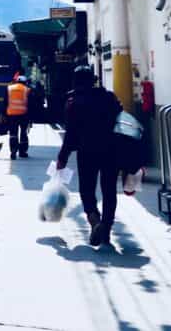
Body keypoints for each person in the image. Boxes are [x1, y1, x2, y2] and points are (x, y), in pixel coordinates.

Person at [57, 65, 124, 246]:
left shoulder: (73, 101)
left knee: (87, 189)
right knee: (109, 190)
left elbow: (71, 133)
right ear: (94, 80)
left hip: (87, 152)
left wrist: (63, 156)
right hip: (111, 150)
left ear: (75, 81)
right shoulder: (109, 97)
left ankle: (94, 220)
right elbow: (121, 120)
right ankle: (106, 230)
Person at [6, 75, 31, 160]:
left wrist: (5, 114)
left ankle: (13, 151)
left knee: (13, 134)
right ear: (25, 82)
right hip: (24, 115)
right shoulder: (27, 90)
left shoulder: (9, 88)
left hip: (12, 114)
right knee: (23, 133)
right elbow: (31, 105)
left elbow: (5, 102)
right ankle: (22, 152)